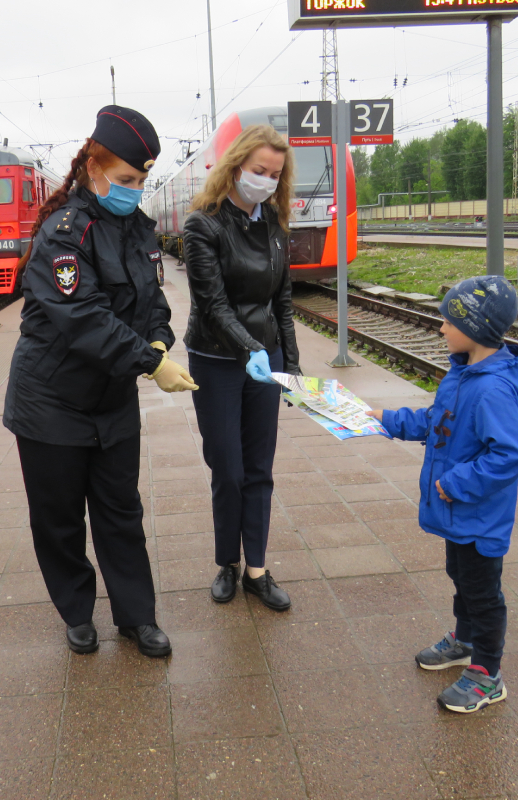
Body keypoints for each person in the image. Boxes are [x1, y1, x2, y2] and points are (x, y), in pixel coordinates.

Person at [3, 106, 195, 658]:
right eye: (126, 180)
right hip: (50, 402)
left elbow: (152, 299)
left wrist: (159, 342)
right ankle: (76, 612)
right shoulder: (63, 234)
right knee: (59, 518)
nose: (134, 191)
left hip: (110, 400)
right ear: (93, 168)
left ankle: (137, 617)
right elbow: (83, 317)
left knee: (120, 510)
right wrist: (149, 363)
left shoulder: (136, 228)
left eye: (141, 182)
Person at [366, 275, 518, 714]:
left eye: (448, 321)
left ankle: (487, 674)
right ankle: (465, 640)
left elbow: (511, 454)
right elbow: (435, 421)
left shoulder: (491, 389)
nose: (440, 328)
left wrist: (455, 484)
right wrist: (384, 418)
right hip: (459, 516)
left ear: (475, 329)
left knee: (483, 592)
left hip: (477, 516)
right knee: (461, 578)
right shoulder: (462, 375)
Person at [181, 125, 300, 611]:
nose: (267, 182)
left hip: (264, 359)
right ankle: (225, 563)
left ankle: (256, 568)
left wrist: (289, 366)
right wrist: (248, 347)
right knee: (228, 468)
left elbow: (283, 301)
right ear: (235, 166)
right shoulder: (202, 225)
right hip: (217, 359)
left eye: (274, 175)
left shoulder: (273, 221)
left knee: (259, 468)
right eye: (259, 171)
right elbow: (212, 304)